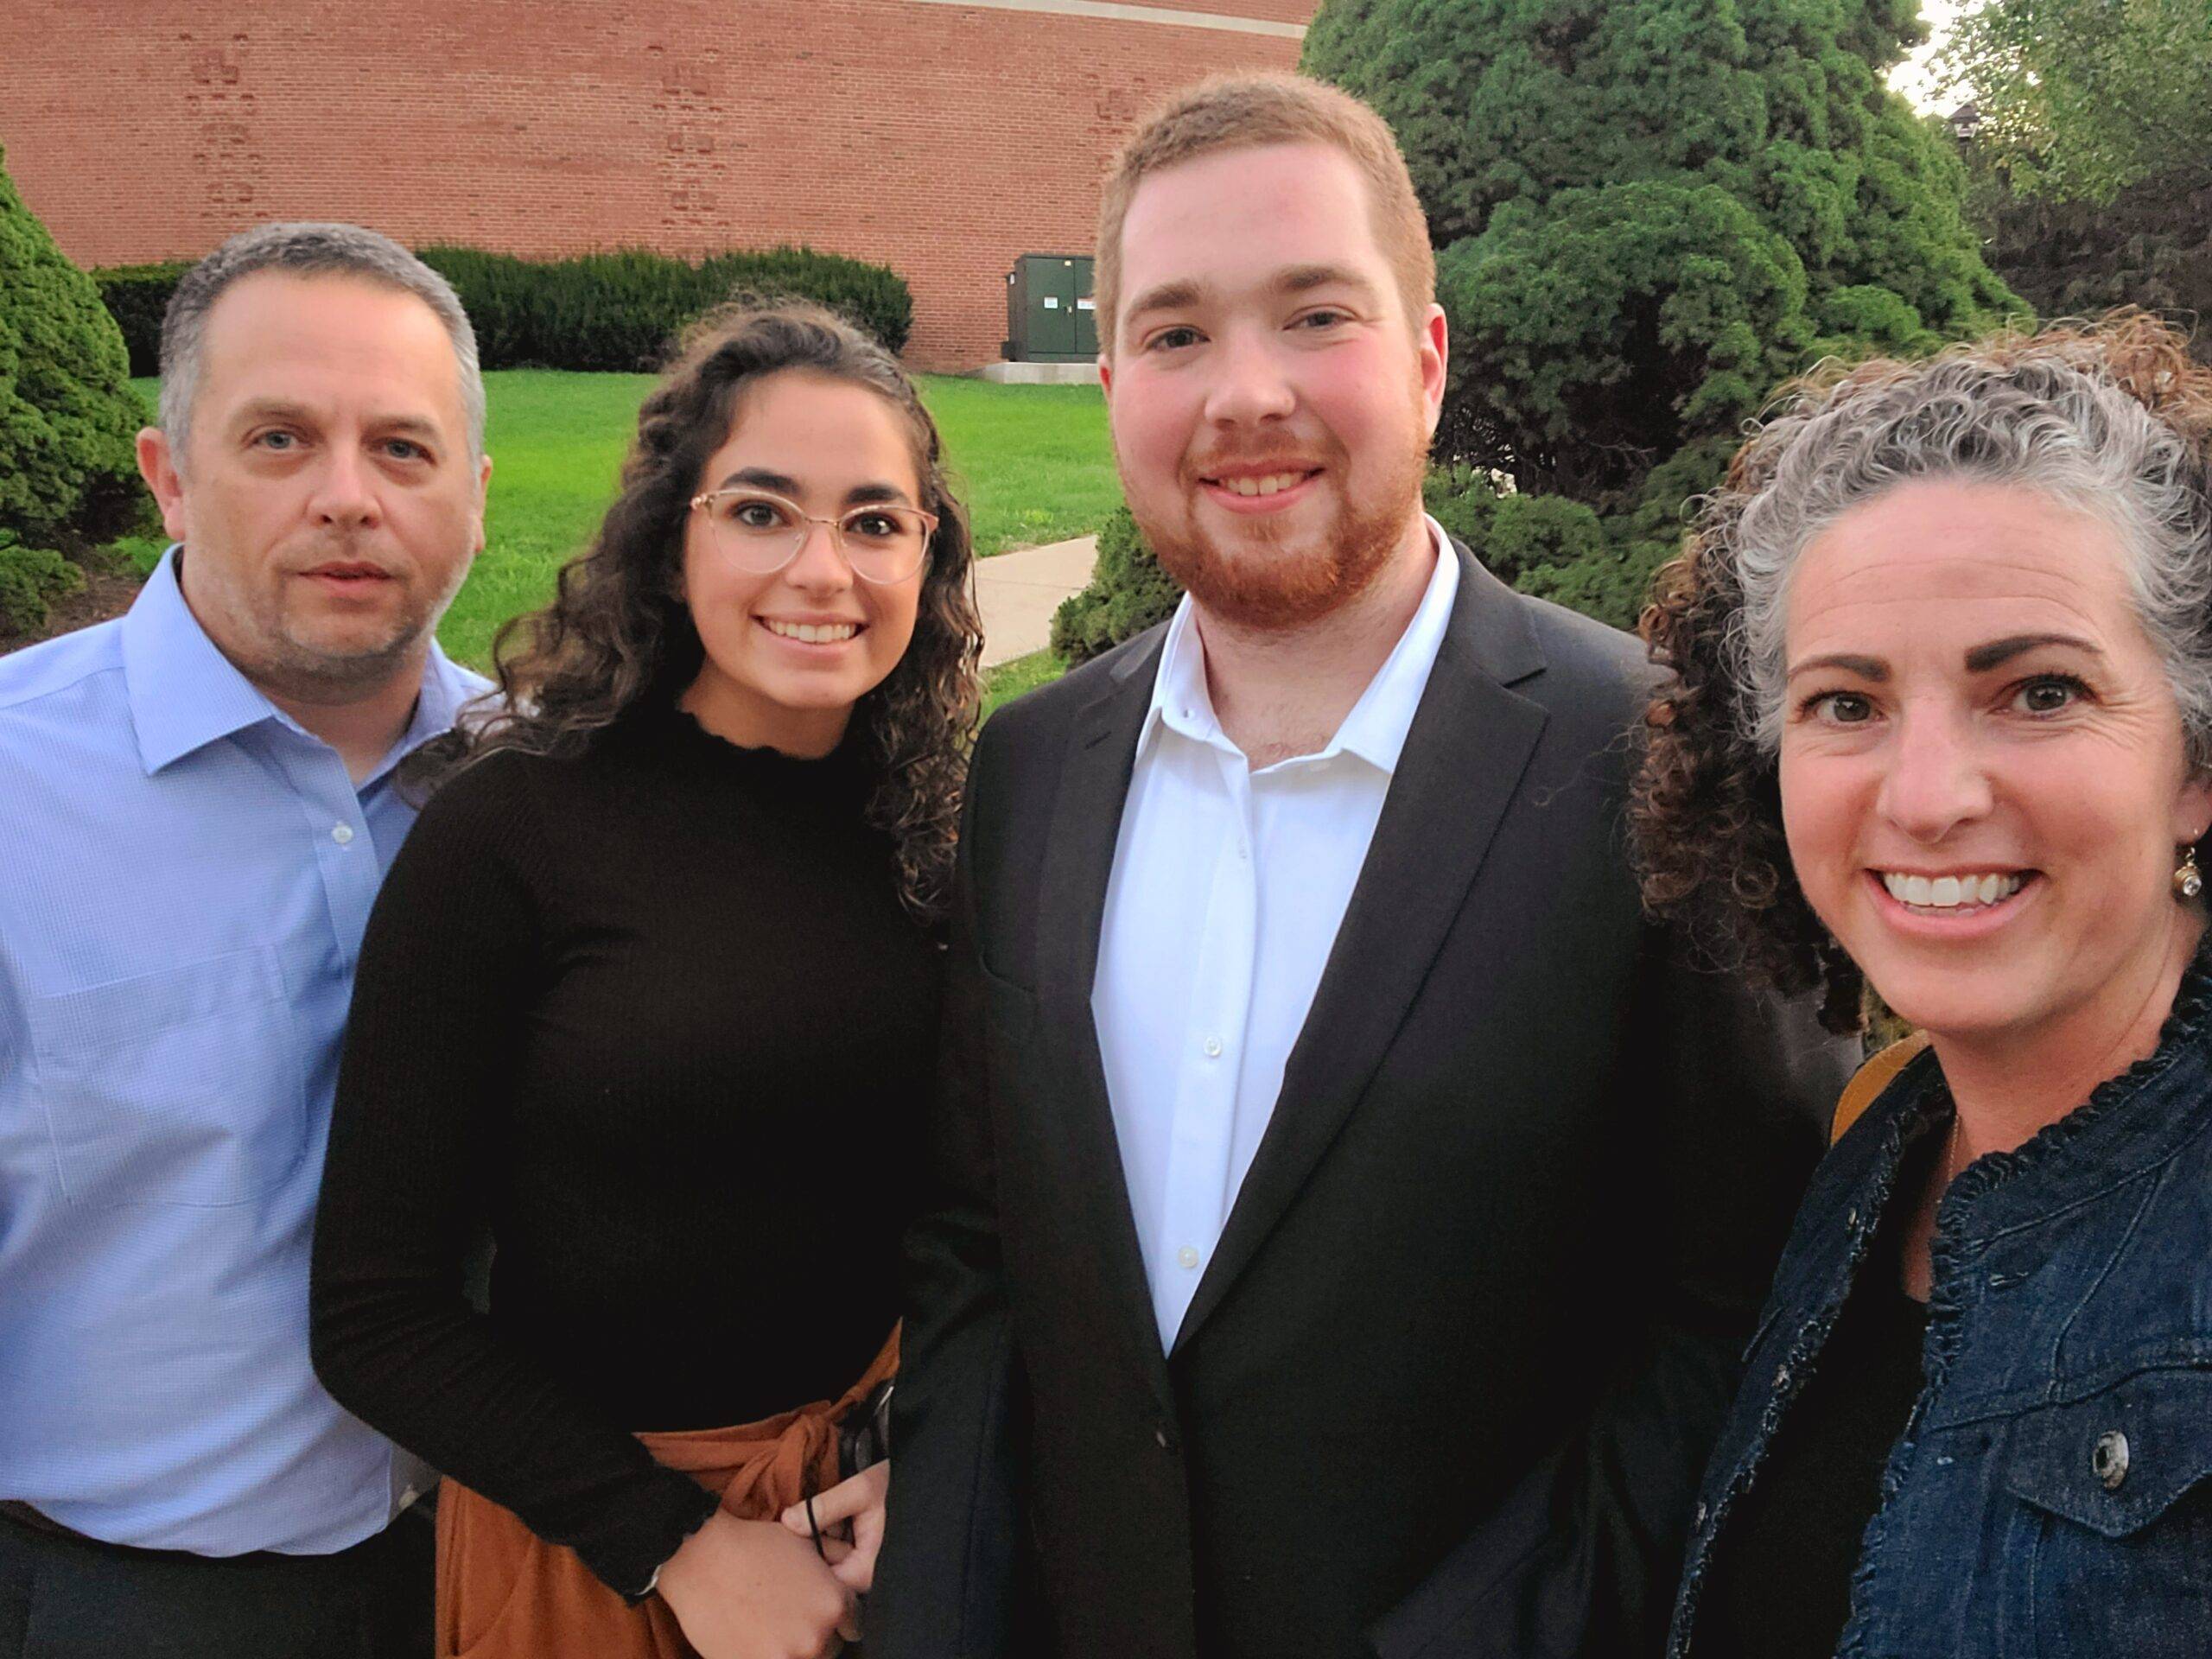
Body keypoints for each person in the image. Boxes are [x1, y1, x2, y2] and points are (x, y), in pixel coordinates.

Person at [867, 72, 1850, 1659]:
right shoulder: (1031, 771)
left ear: (1428, 361)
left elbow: (1738, 1320)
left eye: (1315, 315)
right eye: (1178, 334)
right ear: (1112, 381)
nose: (1245, 393)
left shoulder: (1658, 762)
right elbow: (984, 1254)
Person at [308, 302, 983, 1659]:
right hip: (599, 1559)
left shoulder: (952, 832)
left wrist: (935, 1460)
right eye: (760, 512)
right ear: (672, 544)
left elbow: (985, 1219)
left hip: (886, 1534)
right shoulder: (512, 834)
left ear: (925, 559)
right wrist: (677, 1549)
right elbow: (375, 1315)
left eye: (873, 522)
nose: (821, 571)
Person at [1633, 312, 2212, 1657]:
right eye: (1848, 704)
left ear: (2194, 766)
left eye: (2041, 692)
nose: (1930, 795)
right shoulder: (1870, 1156)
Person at [0, 222, 491, 1657]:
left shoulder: (543, 788)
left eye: (403, 450)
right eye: (279, 439)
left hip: (501, 1568)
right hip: (127, 1596)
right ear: (169, 479)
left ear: (471, 488)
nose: (349, 498)